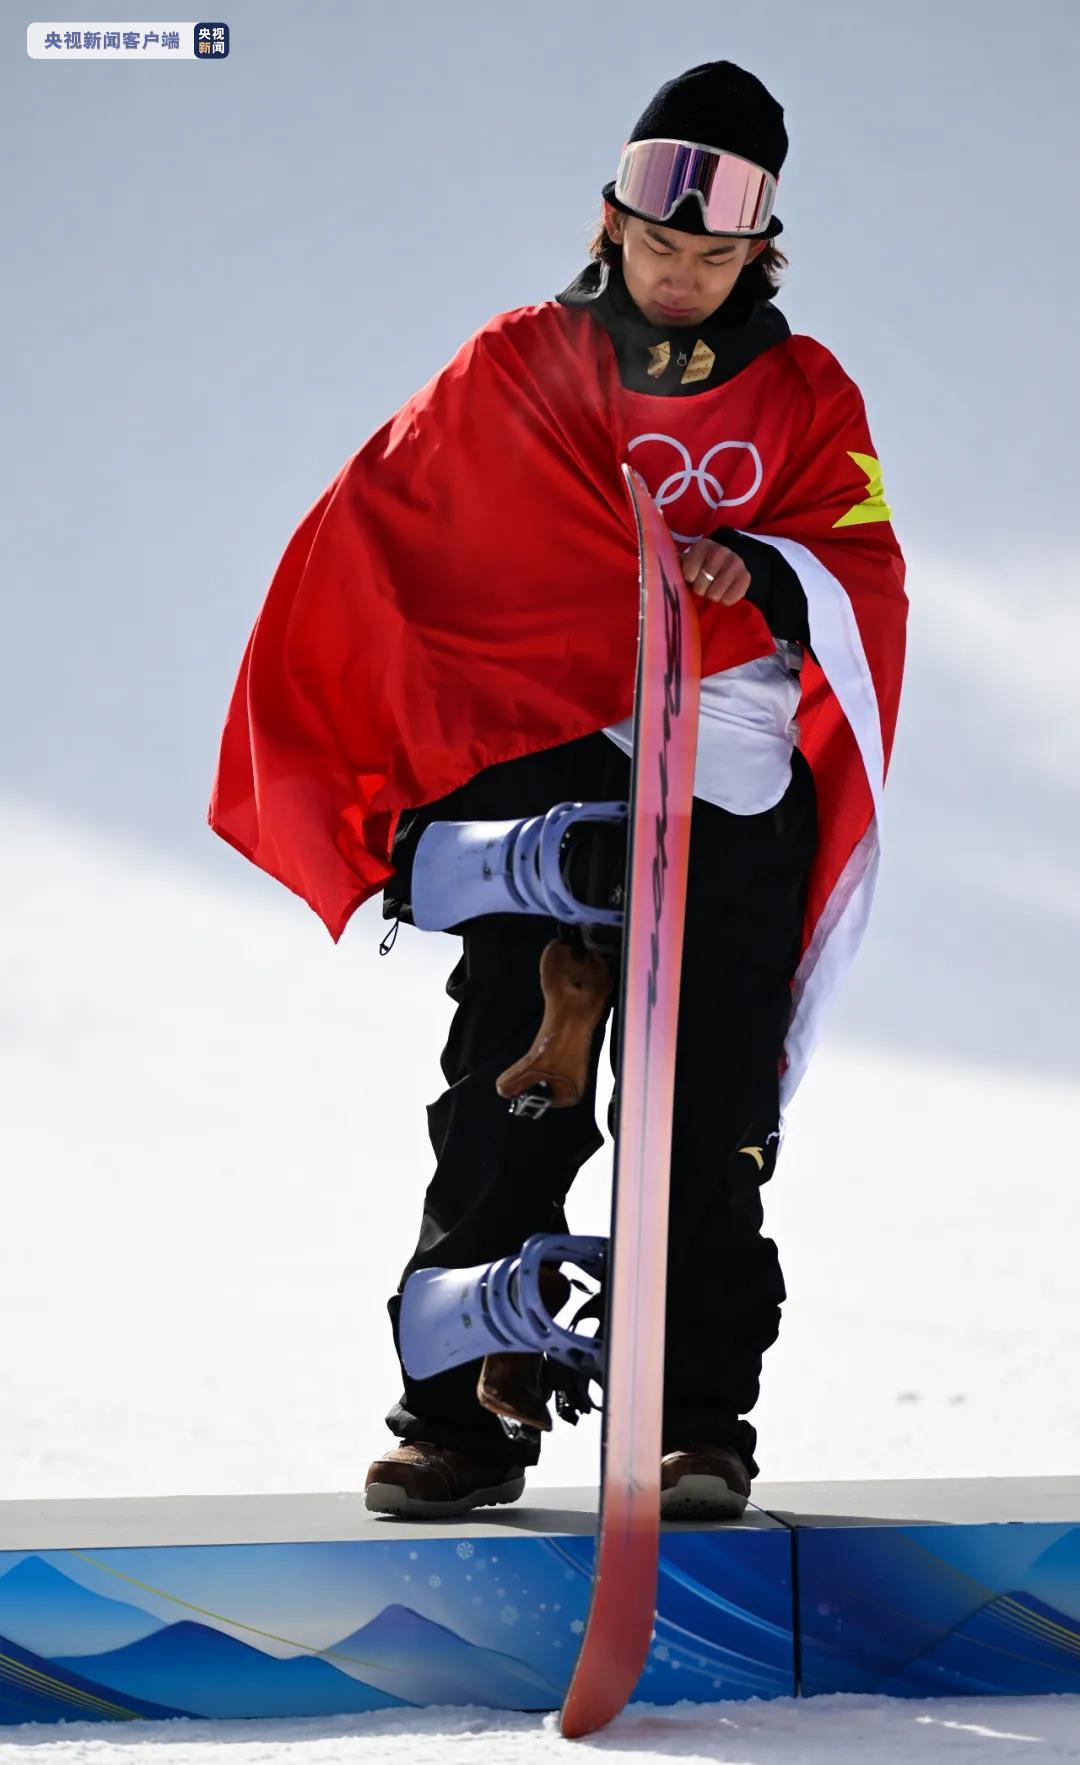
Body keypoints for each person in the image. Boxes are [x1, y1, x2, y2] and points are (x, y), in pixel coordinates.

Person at [209, 60, 908, 1521]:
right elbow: (395, 529)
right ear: (609, 223)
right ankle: (459, 1421)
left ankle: (695, 1424)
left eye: (711, 256)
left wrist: (760, 565)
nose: (678, 276)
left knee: (707, 1113)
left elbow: (861, 562)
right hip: (543, 764)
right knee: (510, 1083)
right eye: (656, 245)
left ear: (760, 254)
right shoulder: (521, 362)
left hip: (725, 782)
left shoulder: (807, 392)